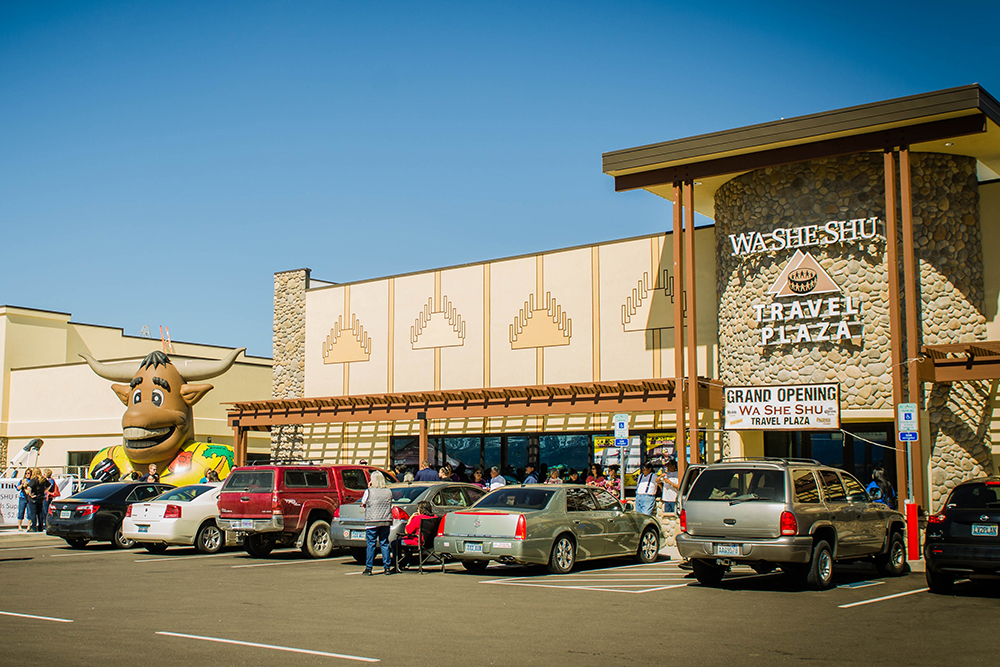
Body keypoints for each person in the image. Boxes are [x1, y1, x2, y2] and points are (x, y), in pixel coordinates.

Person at [360, 470, 393, 576]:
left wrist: (369, 487)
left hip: (372, 521)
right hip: (385, 520)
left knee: (371, 544)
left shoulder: (369, 491)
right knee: (384, 543)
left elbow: (363, 503)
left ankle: (369, 567)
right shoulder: (388, 491)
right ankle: (387, 567)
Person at [393, 500, 436, 570]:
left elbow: (407, 531)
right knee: (407, 544)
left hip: (418, 541)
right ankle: (406, 562)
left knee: (394, 543)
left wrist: (410, 519)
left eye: (418, 509)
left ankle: (399, 564)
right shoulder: (434, 517)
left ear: (421, 510)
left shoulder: (418, 518)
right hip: (430, 542)